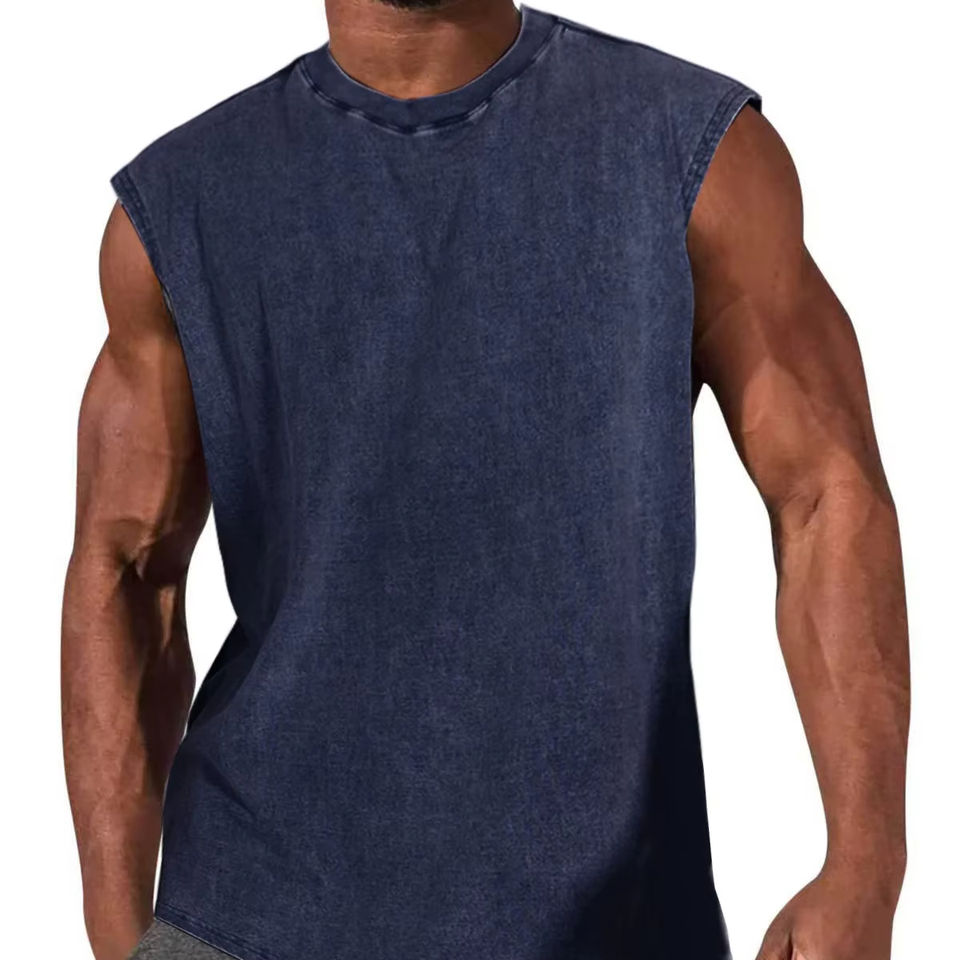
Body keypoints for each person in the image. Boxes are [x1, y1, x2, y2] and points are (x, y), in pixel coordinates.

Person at [61, 1, 910, 959]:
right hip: (251, 917)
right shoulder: (184, 203)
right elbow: (125, 567)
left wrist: (865, 867)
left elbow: (825, 492)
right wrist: (118, 934)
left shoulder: (690, 152)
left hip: (611, 924)